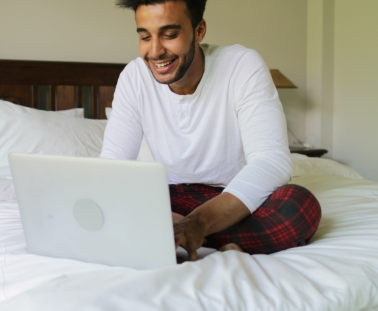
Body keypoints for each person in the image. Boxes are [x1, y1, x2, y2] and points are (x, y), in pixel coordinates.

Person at [101, 0, 321, 261]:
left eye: (170, 35)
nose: (156, 50)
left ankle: (177, 232)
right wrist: (170, 217)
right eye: (145, 37)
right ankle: (190, 233)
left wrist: (199, 222)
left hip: (231, 199)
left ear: (199, 30)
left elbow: (271, 161)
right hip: (166, 197)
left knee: (298, 205)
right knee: (100, 197)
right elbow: (112, 168)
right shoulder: (134, 77)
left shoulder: (242, 66)